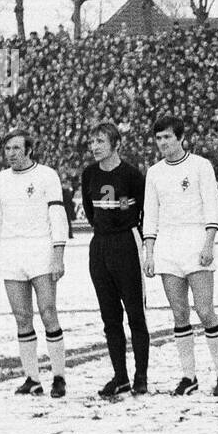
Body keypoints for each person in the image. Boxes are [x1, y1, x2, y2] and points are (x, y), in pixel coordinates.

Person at [142, 115, 218, 396]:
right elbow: (151, 214)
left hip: (196, 242)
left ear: (180, 138)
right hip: (168, 246)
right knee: (179, 313)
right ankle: (188, 376)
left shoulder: (200, 166)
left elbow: (212, 207)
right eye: (158, 138)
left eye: (167, 137)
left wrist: (208, 243)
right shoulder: (154, 172)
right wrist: (150, 252)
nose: (163, 143)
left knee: (205, 311)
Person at [0, 129, 70, 397]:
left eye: (16, 149)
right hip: (11, 253)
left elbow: (57, 215)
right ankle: (32, 378)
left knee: (47, 312)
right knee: (22, 318)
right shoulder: (0, 180)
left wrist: (58, 254)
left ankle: (58, 376)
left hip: (40, 250)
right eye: (7, 149)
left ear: (29, 150)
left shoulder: (46, 175)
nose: (11, 154)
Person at [81, 121, 149, 397]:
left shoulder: (131, 175)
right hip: (100, 245)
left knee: (135, 314)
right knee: (110, 317)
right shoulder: (89, 174)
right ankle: (120, 376)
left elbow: (143, 210)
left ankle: (140, 375)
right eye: (92, 142)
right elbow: (89, 210)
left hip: (127, 243)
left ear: (116, 144)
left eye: (100, 141)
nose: (95, 147)